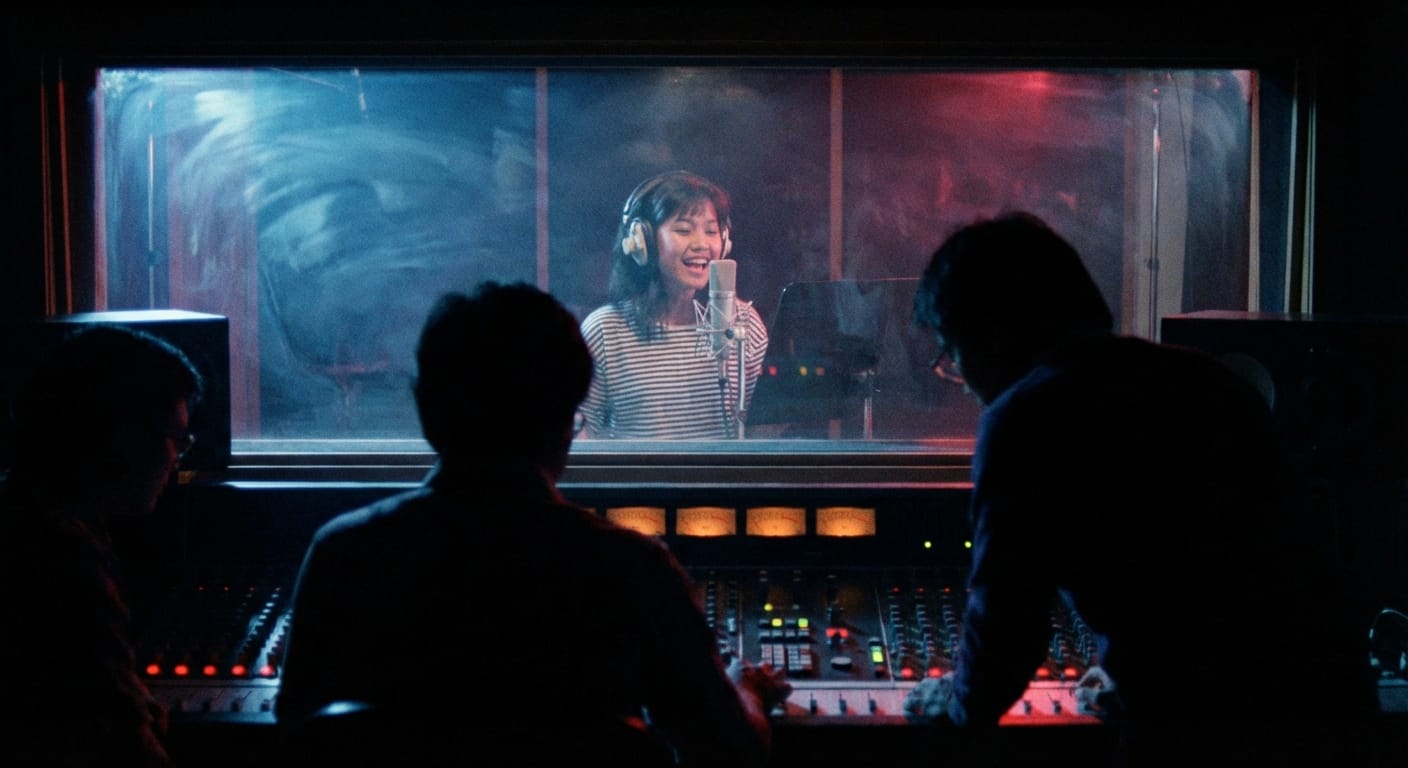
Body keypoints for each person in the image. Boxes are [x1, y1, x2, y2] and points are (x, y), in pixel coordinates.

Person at [903, 212, 1382, 765]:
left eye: (952, 352)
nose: (961, 378)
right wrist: (1132, 677)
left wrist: (957, 707)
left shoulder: (1024, 418)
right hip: (1336, 709)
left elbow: (1007, 623)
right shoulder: (1212, 381)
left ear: (991, 333)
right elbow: (1213, 582)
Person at [275, 282, 791, 766]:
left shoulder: (342, 556)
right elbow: (732, 750)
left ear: (426, 412)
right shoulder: (634, 571)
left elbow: (295, 729)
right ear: (567, 425)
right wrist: (746, 689)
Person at [0, 324, 203, 768]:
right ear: (122, 436)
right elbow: (124, 746)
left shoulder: (38, 513)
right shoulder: (63, 561)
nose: (176, 459)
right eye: (175, 439)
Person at [579, 170, 769, 439]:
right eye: (684, 230)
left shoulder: (745, 323)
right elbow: (579, 432)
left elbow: (764, 430)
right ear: (642, 241)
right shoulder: (605, 331)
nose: (702, 244)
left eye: (711, 231)